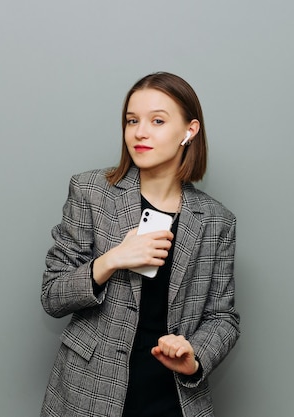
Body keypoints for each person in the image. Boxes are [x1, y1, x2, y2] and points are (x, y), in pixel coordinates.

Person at [40, 71, 240, 417]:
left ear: (189, 131)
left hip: (172, 398)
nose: (140, 132)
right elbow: (53, 295)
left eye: (157, 120)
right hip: (90, 392)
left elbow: (223, 317)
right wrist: (112, 260)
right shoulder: (91, 192)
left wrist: (194, 357)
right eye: (132, 121)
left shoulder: (216, 220)